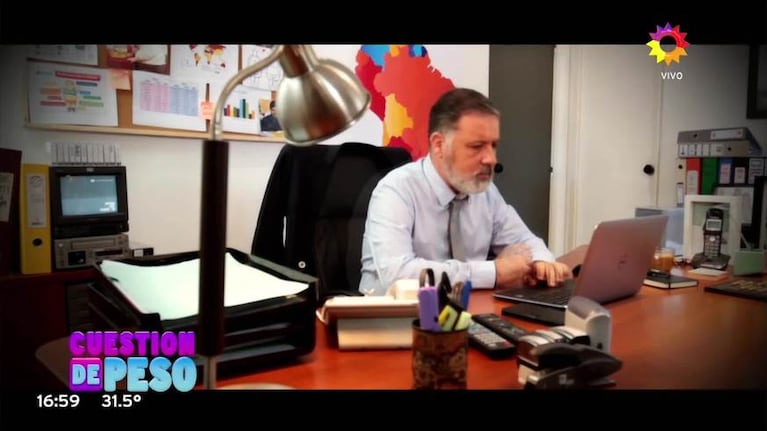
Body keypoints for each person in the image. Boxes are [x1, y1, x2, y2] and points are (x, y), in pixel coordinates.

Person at [359, 87, 572, 296]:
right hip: (392, 315)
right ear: (439, 145)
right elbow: (398, 275)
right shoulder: (396, 190)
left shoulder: (485, 193)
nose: (491, 159)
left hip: (465, 311)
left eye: (494, 145)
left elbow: (526, 240)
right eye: (477, 146)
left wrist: (542, 263)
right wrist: (494, 272)